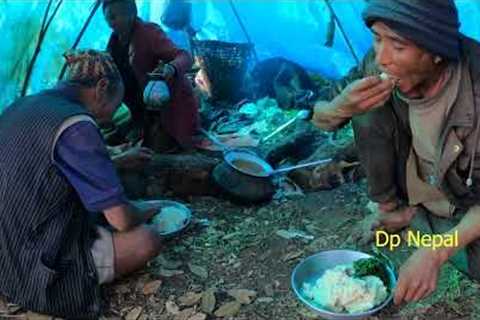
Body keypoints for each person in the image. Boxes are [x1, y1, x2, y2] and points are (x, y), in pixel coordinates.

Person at [310, 0, 480, 306]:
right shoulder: (376, 64)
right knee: (366, 109)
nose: (382, 57)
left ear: (437, 52)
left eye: (398, 46)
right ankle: (393, 211)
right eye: (377, 39)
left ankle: (428, 229)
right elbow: (320, 117)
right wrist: (341, 108)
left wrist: (436, 253)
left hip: (467, 201)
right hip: (417, 182)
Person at [0, 50, 164, 319]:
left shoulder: (23, 105)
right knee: (147, 239)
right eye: (116, 103)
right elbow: (122, 220)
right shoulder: (77, 125)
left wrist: (118, 161)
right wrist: (150, 208)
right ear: (102, 88)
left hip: (5, 252)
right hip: (37, 269)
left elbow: (48, 169)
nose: (113, 114)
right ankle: (66, 281)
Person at [103, 0, 199, 152]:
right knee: (113, 141)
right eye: (107, 17)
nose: (110, 22)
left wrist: (171, 68)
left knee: (156, 153)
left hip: (165, 108)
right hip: (138, 109)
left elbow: (184, 56)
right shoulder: (114, 41)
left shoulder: (149, 33)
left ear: (131, 15)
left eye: (114, 17)